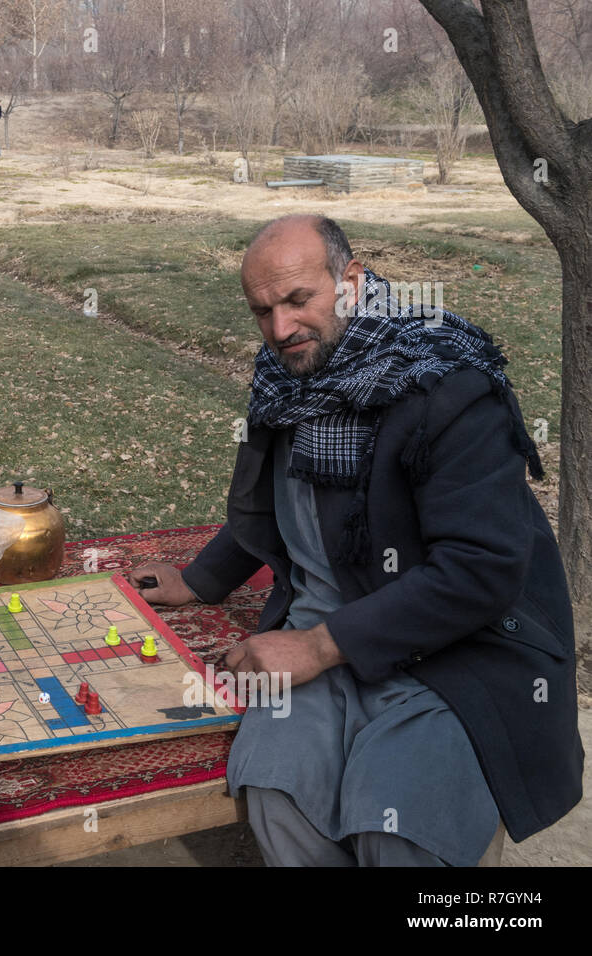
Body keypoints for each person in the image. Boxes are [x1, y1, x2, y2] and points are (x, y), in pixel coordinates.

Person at [129, 214, 583, 867]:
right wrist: (201, 579)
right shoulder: (289, 368)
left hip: (454, 653)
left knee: (397, 829)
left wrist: (318, 646)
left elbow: (481, 571)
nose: (280, 328)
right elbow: (281, 502)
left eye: (296, 300)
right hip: (326, 638)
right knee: (276, 794)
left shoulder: (448, 384)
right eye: (262, 311)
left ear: (349, 282)